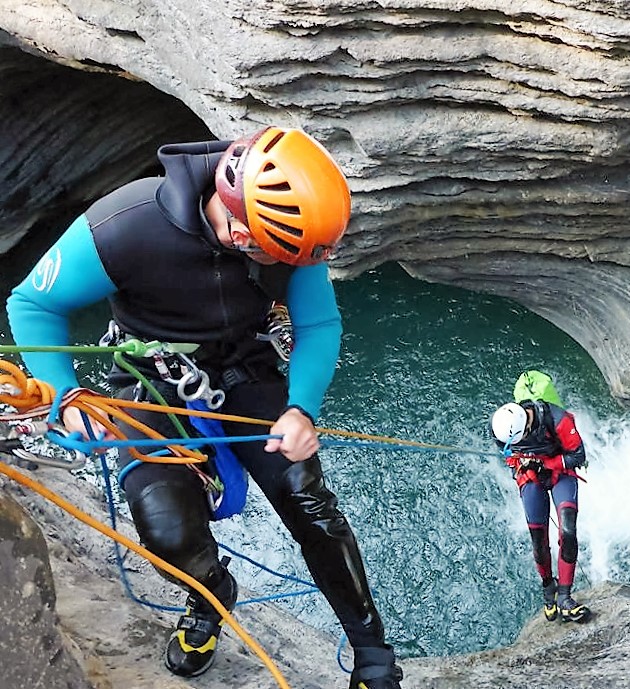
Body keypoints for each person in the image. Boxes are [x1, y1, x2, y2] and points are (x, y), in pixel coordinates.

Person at [6, 126, 402, 688]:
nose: (286, 266)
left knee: (307, 500)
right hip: (151, 376)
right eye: (275, 254)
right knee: (166, 529)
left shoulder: (291, 237)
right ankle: (211, 599)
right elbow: (34, 303)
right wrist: (65, 397)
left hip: (246, 364)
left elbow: (318, 323)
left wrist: (301, 410)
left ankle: (374, 656)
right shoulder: (125, 225)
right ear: (239, 227)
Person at [491, 383, 591, 624]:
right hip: (531, 475)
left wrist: (546, 464)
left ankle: (565, 597)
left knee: (567, 531)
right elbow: (508, 454)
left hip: (559, 474)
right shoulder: (499, 429)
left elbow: (578, 456)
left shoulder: (558, 420)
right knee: (538, 539)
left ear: (525, 426)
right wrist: (520, 464)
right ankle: (548, 588)